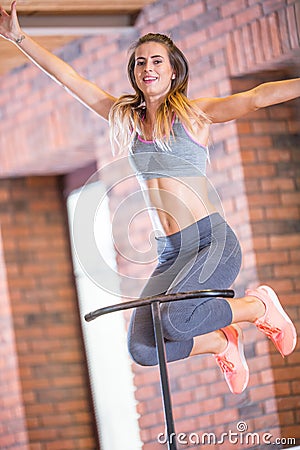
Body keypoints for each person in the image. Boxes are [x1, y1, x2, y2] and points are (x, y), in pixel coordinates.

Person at [1, 1, 298, 395]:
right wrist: (19, 39)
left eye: (156, 61)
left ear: (173, 70)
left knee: (175, 320)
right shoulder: (125, 118)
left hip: (211, 243)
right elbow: (71, 80)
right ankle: (222, 341)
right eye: (140, 63)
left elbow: (257, 97)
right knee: (143, 348)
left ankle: (258, 307)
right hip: (170, 253)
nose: (148, 69)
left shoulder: (195, 115)